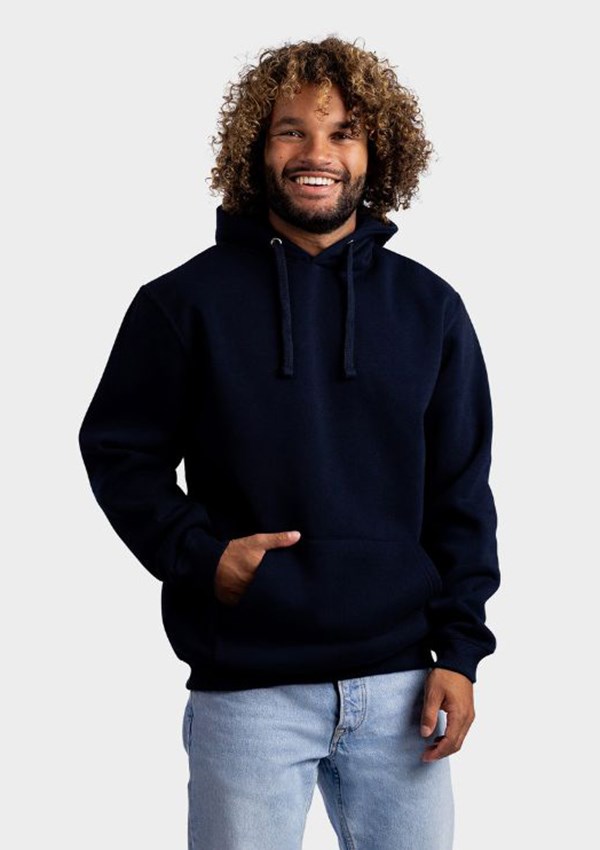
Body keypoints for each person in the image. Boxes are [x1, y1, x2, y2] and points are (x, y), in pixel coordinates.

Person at [78, 35, 500, 850]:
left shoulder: (431, 310)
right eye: (291, 131)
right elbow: (119, 452)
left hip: (404, 687)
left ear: (377, 153)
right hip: (249, 691)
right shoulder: (182, 304)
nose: (318, 154)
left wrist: (460, 653)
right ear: (256, 147)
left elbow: (462, 492)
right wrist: (203, 557)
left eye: (343, 133)